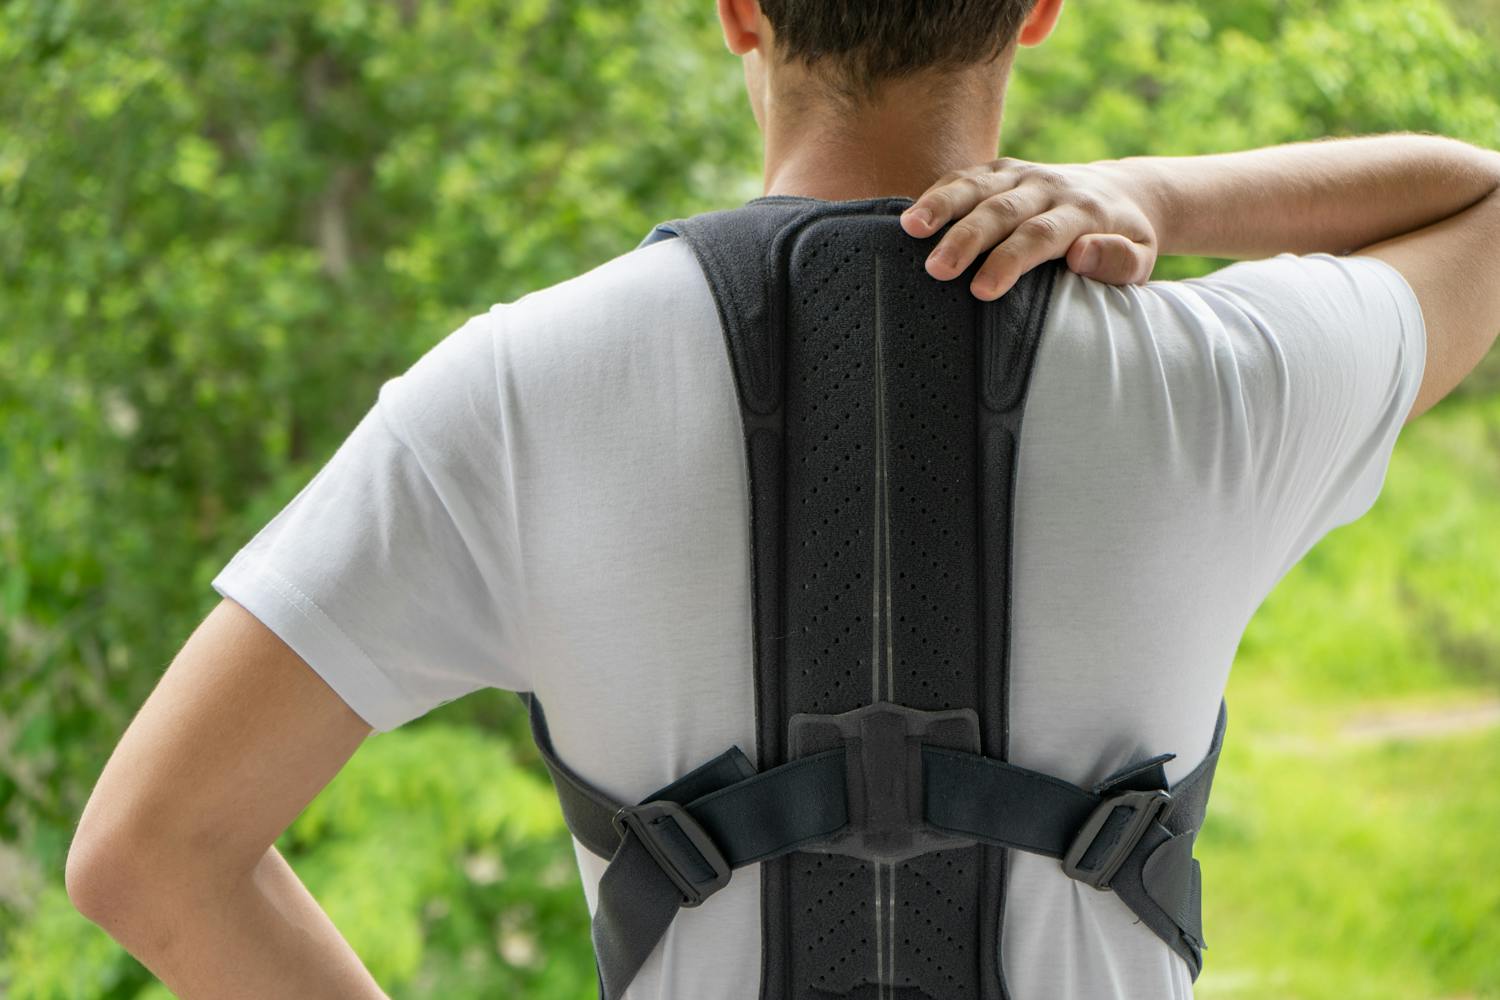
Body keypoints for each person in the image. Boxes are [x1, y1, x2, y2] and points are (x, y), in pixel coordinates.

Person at [64, 0, 1500, 997]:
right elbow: (1481, 202)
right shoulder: (1213, 378)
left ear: (739, 13)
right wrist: (1156, 199)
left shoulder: (517, 392)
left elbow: (151, 856)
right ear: (1038, 12)